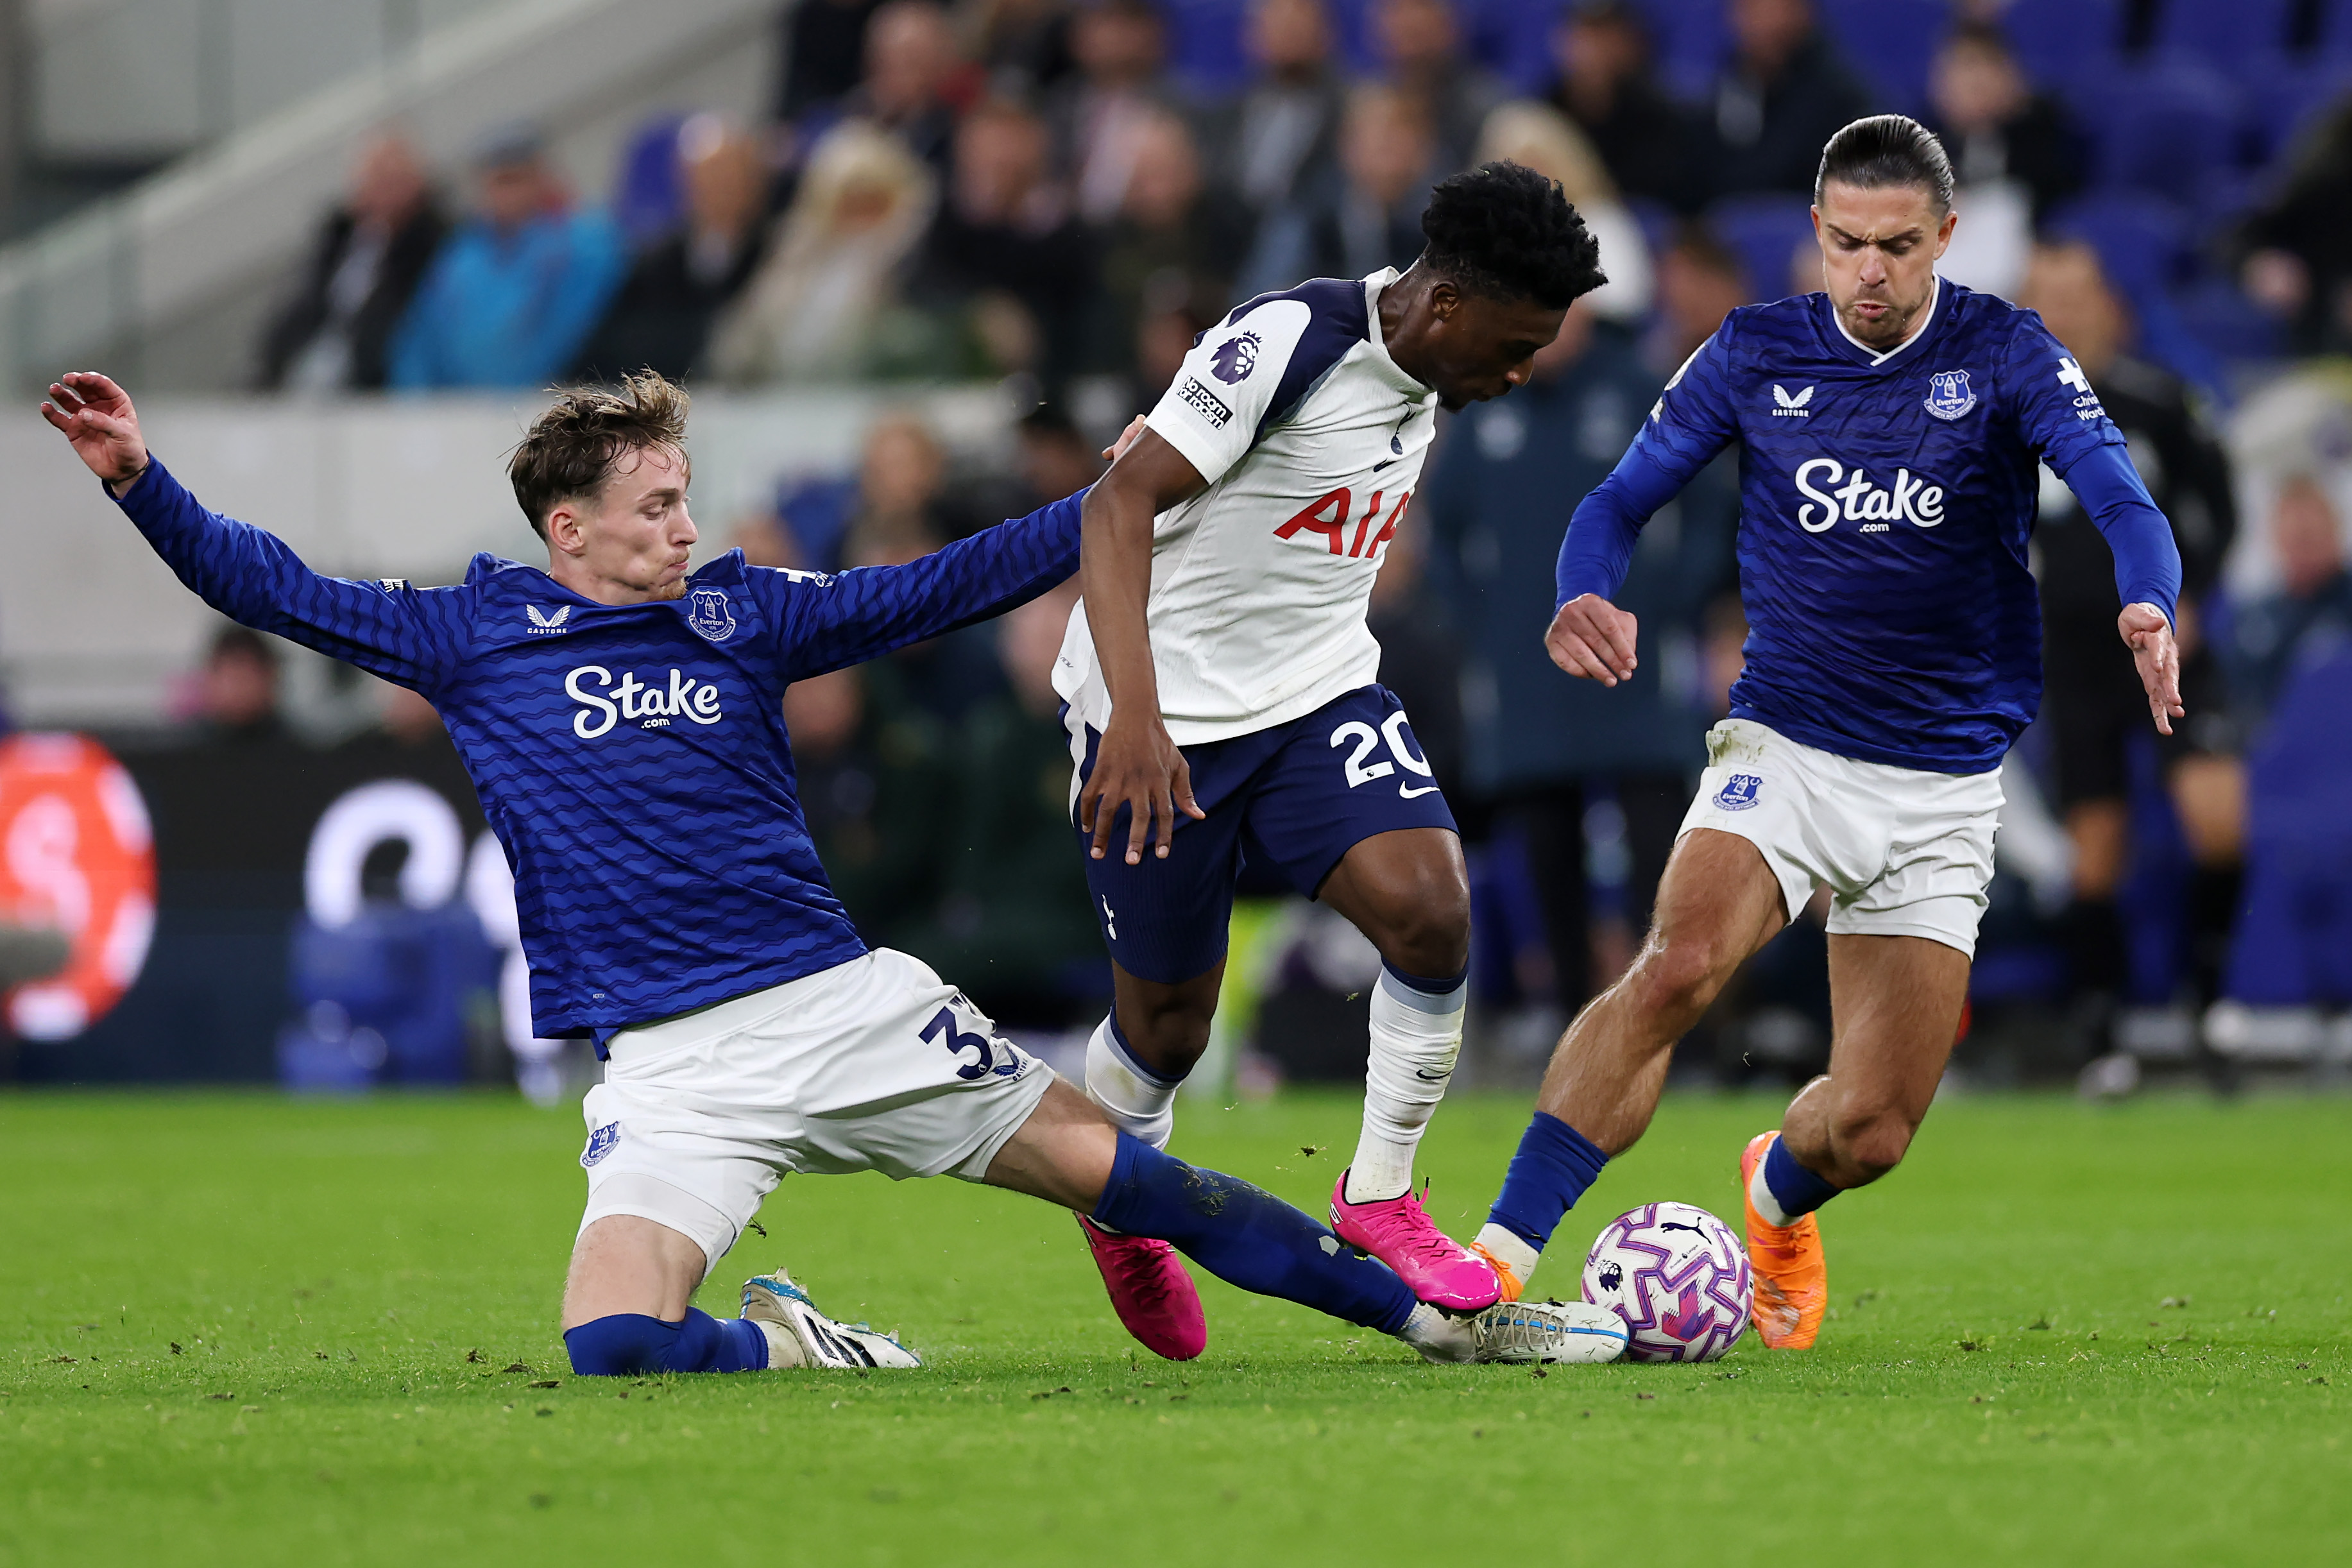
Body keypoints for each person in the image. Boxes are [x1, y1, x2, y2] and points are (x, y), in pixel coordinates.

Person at [44, 368, 1594, 1374]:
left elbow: (942, 583)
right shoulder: (472, 636)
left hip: (840, 1008)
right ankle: (800, 1350)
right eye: (657, 506)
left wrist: (1126, 490)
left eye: (684, 497)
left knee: (1136, 1184)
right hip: (667, 1071)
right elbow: (275, 587)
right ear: (568, 528)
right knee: (612, 1353)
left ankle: (1435, 1324)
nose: (686, 525)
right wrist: (135, 476)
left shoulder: (743, 615)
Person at [1465, 117, 2185, 1351]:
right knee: (1680, 963)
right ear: (1816, 232)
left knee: (1871, 1129)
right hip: (1786, 746)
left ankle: (1772, 1194)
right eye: (1846, 243)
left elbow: (2119, 492)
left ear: (1945, 239)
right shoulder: (1750, 351)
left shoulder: (2007, 353)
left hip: (1946, 781)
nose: (1869, 273)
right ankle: (1491, 1261)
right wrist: (1582, 584)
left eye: (1897, 247)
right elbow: (1618, 497)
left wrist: (2148, 598)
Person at [1061, 161, 1606, 1356]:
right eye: (1513, 345)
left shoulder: (1434, 376)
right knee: (1165, 1030)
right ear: (1447, 305)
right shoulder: (1294, 338)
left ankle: (1378, 1192)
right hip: (1162, 719)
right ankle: (1122, 1197)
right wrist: (1136, 720)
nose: (1518, 373)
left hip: (1316, 694)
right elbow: (1115, 506)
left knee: (1431, 910)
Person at [1420, 299, 1733, 1016]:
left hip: (1634, 673)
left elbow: (1712, 504)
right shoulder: (1487, 398)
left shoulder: (1639, 389)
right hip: (1530, 683)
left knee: (1667, 857)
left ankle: (1683, 1026)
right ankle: (1570, 1030)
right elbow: (1441, 527)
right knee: (1547, 864)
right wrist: (1482, 619)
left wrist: (1671, 599)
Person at [2016, 241, 2240, 1028]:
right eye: (2047, 296)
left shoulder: (2160, 404)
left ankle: (2210, 1000)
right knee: (2095, 848)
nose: (2066, 312)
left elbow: (2220, 512)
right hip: (2073, 653)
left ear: (2112, 304)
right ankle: (2099, 1024)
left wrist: (2198, 596)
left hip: (2163, 640)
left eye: (2078, 293)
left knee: (2216, 817)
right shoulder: (2000, 413)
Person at [387, 125, 627, 390]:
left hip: (540, 402)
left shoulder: (584, 241)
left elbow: (565, 334)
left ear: (542, 177)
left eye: (514, 179)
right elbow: (419, 338)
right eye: (495, 182)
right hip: (453, 411)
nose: (505, 195)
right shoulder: (460, 254)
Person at [707, 121, 939, 386]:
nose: (861, 217)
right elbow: (747, 339)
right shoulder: (795, 262)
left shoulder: (912, 267)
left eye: (873, 203)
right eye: (850, 203)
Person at [569, 119, 769, 386]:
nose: (721, 189)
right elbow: (613, 344)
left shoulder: (778, 255)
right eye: (709, 177)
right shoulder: (659, 261)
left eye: (732, 175)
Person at [259, 132, 447, 392]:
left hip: (372, 383)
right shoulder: (338, 240)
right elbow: (301, 307)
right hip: (311, 364)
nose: (384, 192)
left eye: (393, 181)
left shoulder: (431, 246)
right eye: (375, 180)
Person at [1703, 0, 1871, 202]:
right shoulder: (1726, 86)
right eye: (1750, 8)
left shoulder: (1842, 98)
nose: (1762, 22)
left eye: (1775, 7)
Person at [1544, 0, 1700, 215]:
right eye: (1584, 32)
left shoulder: (1659, 118)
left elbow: (1663, 194)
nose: (1591, 49)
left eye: (1604, 34)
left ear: (1628, 42)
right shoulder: (1546, 110)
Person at [1216, 0, 1347, 219]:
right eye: (1279, 24)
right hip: (1234, 228)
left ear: (1326, 34)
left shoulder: (1348, 109)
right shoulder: (1229, 110)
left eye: (1298, 25)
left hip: (1315, 227)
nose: (1288, 33)